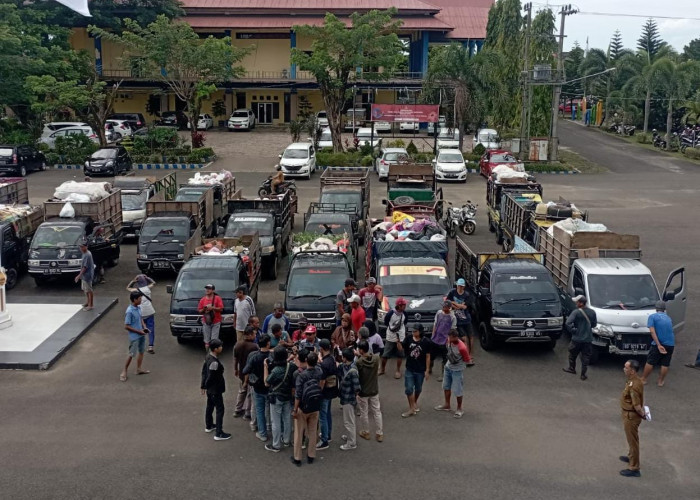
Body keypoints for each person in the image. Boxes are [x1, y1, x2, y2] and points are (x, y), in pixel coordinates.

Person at [264, 345, 298, 452]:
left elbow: (266, 382)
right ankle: (287, 440)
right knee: (287, 418)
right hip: (288, 396)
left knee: (276, 421)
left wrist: (265, 367)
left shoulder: (275, 371)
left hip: (276, 397)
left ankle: (276, 444)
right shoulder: (291, 366)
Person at [292, 351, 323, 466]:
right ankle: (311, 455)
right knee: (313, 431)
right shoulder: (319, 372)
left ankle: (297, 457)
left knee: (299, 433)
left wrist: (295, 410)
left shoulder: (302, 375)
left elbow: (298, 394)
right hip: (315, 406)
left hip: (302, 407)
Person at [434, 330, 471, 418]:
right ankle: (447, 405)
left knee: (458, 390)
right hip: (448, 367)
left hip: (457, 370)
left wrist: (458, 362)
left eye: (451, 337)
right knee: (446, 386)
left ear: (456, 337)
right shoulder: (448, 341)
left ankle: (459, 409)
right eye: (449, 337)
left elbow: (467, 360)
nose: (449, 339)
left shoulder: (462, 348)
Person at [243, 333, 272, 442]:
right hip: (270, 387)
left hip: (257, 388)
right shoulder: (271, 356)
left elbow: (245, 370)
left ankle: (263, 434)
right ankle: (272, 429)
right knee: (270, 410)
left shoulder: (254, 357)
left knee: (259, 410)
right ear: (268, 343)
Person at [620, 359, 646, 477]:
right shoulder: (634, 381)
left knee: (633, 441)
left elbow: (636, 405)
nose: (624, 369)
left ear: (632, 371)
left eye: (626, 368)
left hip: (631, 416)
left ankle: (634, 467)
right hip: (629, 413)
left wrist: (642, 414)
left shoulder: (634, 385)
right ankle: (631, 457)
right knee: (631, 440)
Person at [201, 339, 231, 441]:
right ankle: (219, 432)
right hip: (215, 389)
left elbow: (204, 372)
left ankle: (209, 425)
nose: (222, 348)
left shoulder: (208, 357)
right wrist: (207, 385)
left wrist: (203, 386)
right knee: (220, 409)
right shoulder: (214, 363)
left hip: (210, 389)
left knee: (209, 406)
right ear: (215, 349)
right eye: (220, 346)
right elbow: (211, 377)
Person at [563, 295, 597, 381]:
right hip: (588, 339)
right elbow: (594, 324)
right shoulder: (592, 312)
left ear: (581, 303)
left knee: (572, 354)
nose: (576, 303)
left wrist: (574, 330)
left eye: (577, 302)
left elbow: (568, 323)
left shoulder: (576, 312)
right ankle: (583, 374)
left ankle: (572, 368)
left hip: (577, 339)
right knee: (586, 357)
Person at [641, 301, 675, 387]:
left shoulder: (652, 317)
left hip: (659, 343)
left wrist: (658, 344)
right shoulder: (668, 318)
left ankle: (644, 379)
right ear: (664, 309)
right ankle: (661, 381)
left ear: (656, 308)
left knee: (650, 361)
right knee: (665, 363)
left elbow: (652, 331)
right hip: (670, 344)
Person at [355, 340, 384, 442]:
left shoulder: (359, 362)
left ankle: (366, 432)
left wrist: (359, 356)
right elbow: (371, 356)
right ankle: (379, 433)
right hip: (374, 389)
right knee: (377, 411)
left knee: (364, 412)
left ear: (361, 350)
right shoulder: (376, 359)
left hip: (363, 391)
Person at [402, 323, 431, 418]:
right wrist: (398, 343)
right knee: (409, 389)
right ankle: (411, 408)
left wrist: (427, 370)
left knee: (418, 389)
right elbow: (402, 349)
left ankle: (414, 402)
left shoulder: (426, 341)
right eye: (413, 331)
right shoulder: (408, 339)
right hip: (410, 368)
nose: (413, 332)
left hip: (420, 370)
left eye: (415, 331)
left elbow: (427, 356)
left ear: (420, 332)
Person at [120, 291, 150, 382]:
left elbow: (141, 319)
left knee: (141, 351)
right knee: (131, 354)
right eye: (140, 299)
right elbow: (126, 326)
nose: (141, 300)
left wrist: (144, 327)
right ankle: (124, 371)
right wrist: (139, 331)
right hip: (134, 337)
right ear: (134, 300)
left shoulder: (138, 308)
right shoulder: (129, 311)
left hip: (141, 335)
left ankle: (139, 369)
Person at [317, 339, 339, 450]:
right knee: (328, 413)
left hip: (324, 393)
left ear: (321, 348)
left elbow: (322, 381)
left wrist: (318, 392)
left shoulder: (323, 365)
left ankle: (324, 440)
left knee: (323, 416)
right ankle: (328, 434)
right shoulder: (331, 359)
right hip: (332, 391)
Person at [447, 279, 475, 365]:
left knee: (471, 336)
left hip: (466, 319)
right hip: (458, 320)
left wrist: (456, 304)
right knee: (464, 338)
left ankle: (471, 354)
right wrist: (456, 304)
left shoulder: (467, 294)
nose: (460, 287)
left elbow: (465, 307)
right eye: (459, 285)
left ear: (464, 287)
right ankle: (466, 356)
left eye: (461, 286)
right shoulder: (452, 292)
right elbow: (448, 302)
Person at [233, 326, 259, 419]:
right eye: (254, 334)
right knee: (249, 394)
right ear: (250, 335)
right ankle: (247, 413)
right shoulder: (254, 347)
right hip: (251, 374)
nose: (255, 336)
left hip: (241, 372)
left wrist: (235, 369)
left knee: (242, 391)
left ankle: (238, 409)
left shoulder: (237, 345)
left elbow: (235, 359)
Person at [127, 274, 156, 354]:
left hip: (140, 313)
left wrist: (133, 281)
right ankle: (151, 346)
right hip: (149, 312)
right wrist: (148, 278)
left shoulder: (135, 290)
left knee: (139, 329)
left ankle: (139, 345)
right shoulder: (147, 288)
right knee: (151, 329)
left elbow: (128, 288)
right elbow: (154, 283)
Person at [338, 348, 360, 450]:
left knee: (349, 421)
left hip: (349, 398)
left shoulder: (353, 371)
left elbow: (357, 388)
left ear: (345, 358)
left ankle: (351, 443)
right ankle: (350, 437)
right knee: (348, 420)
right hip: (346, 397)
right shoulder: (346, 366)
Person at [381, 297, 407, 379]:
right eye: (403, 305)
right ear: (399, 306)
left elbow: (405, 322)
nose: (405, 306)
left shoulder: (404, 314)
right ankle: (382, 369)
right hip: (391, 336)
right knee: (385, 354)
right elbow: (386, 322)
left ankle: (398, 370)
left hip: (401, 337)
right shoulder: (390, 314)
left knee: (400, 354)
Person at [431, 301, 456, 382]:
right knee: (432, 355)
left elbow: (452, 330)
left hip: (444, 340)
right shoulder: (439, 313)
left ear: (449, 308)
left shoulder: (452, 317)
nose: (443, 308)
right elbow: (435, 324)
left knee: (444, 358)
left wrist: (449, 341)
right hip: (436, 338)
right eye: (443, 306)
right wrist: (433, 335)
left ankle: (443, 374)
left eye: (445, 307)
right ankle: (429, 368)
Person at [198, 284, 223, 349]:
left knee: (214, 340)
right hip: (206, 322)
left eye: (209, 289)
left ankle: (213, 354)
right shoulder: (202, 299)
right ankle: (208, 354)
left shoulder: (217, 298)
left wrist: (213, 308)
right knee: (206, 341)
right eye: (206, 288)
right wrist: (204, 309)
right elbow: (199, 311)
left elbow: (221, 309)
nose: (207, 290)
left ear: (213, 290)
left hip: (216, 322)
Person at [75, 241, 94, 311]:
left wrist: (79, 275)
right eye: (80, 247)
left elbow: (85, 267)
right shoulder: (84, 253)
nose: (81, 248)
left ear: (86, 247)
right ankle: (88, 302)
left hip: (87, 275)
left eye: (82, 247)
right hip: (84, 275)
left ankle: (91, 305)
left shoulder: (87, 255)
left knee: (89, 290)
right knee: (85, 289)